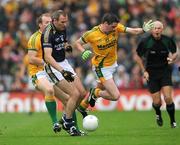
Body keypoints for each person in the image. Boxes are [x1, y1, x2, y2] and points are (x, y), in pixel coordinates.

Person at [75, 13, 154, 110]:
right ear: (105, 23)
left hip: (112, 64)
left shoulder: (116, 27)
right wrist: (83, 51)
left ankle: (83, 107)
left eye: (115, 26)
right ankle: (94, 93)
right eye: (112, 26)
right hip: (101, 67)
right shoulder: (91, 34)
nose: (114, 29)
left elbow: (133, 30)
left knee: (100, 88)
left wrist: (143, 30)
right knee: (115, 96)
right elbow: (77, 43)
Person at [27, 13, 83, 134]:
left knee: (70, 99)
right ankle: (55, 123)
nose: (48, 24)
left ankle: (73, 128)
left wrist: (65, 47)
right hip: (39, 71)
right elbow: (31, 59)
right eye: (46, 22)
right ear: (40, 25)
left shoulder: (58, 31)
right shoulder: (34, 38)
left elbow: (60, 44)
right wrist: (49, 63)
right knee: (50, 90)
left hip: (54, 67)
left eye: (49, 22)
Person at [41, 10, 87, 136]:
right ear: (54, 21)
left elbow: (63, 40)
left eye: (66, 21)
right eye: (62, 22)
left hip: (64, 62)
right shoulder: (47, 33)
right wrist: (62, 71)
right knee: (74, 94)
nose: (65, 24)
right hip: (53, 67)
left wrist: (66, 45)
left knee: (82, 93)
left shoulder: (62, 27)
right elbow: (48, 57)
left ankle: (66, 117)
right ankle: (68, 121)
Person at [135, 21, 178, 128]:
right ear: (151, 30)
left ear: (162, 29)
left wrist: (172, 58)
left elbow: (175, 52)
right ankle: (158, 113)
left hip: (165, 71)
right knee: (157, 102)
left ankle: (173, 121)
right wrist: (143, 71)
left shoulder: (167, 40)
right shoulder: (145, 41)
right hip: (151, 73)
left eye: (159, 28)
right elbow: (138, 56)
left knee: (168, 98)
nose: (157, 30)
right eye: (155, 28)